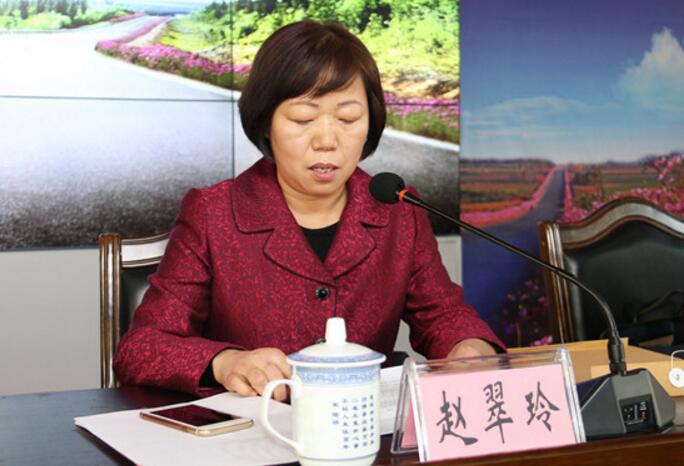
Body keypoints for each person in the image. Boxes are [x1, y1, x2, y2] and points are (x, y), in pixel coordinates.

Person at [114, 20, 504, 400]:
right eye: (303, 118)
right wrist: (225, 361)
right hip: (254, 430)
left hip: (360, 429)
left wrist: (469, 348)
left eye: (348, 119)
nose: (326, 140)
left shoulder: (398, 212)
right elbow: (141, 348)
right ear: (266, 122)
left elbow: (443, 316)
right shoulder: (213, 214)